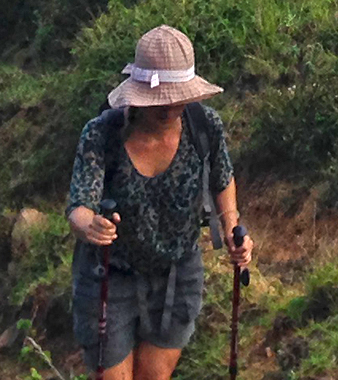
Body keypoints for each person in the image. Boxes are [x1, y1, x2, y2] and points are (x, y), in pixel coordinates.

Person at [66, 25, 255, 380]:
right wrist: (89, 225)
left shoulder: (204, 126)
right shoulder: (102, 133)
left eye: (178, 97)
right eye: (160, 99)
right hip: (109, 273)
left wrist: (231, 225)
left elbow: (222, 178)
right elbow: (79, 205)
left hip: (177, 271)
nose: (169, 108)